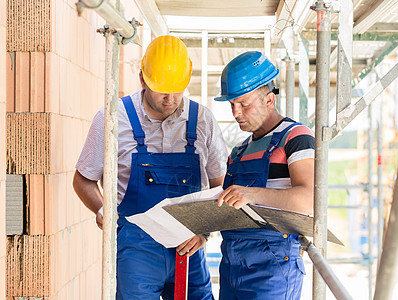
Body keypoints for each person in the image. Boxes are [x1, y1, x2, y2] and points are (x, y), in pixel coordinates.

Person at [73, 35, 228, 299]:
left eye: (177, 89)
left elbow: (220, 186)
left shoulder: (203, 120)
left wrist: (204, 232)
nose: (170, 98)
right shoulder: (112, 118)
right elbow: (83, 180)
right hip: (136, 251)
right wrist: (102, 210)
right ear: (143, 79)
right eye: (162, 90)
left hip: (188, 247)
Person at [214, 51, 315, 299]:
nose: (235, 113)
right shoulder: (238, 151)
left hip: (273, 269)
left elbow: (309, 201)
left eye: (244, 104)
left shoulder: (296, 137)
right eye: (231, 105)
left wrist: (250, 194)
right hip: (232, 263)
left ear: (269, 99)